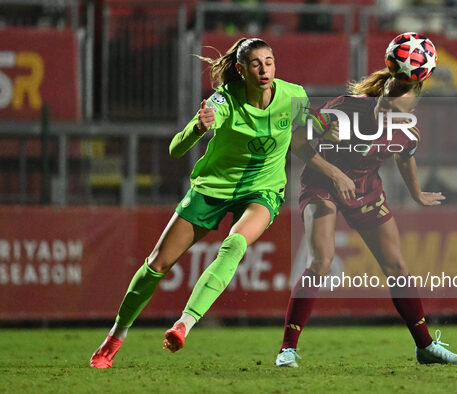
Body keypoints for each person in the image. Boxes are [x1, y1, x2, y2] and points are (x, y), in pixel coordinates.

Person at [90, 37, 309, 368]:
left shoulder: (295, 95)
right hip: (212, 189)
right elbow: (176, 149)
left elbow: (304, 135)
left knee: (235, 244)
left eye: (269, 61)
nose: (264, 70)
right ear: (241, 69)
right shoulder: (223, 101)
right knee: (156, 265)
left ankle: (184, 325)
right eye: (255, 64)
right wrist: (197, 127)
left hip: (263, 191)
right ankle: (115, 336)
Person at [275, 67, 457, 367]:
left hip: (365, 188)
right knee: (321, 260)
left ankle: (425, 347)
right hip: (322, 182)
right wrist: (335, 171)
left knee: (396, 265)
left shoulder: (406, 131)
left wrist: (416, 194)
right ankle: (287, 349)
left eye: (395, 111)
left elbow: (406, 158)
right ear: (381, 93)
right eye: (386, 102)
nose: (387, 110)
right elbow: (297, 142)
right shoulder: (343, 108)